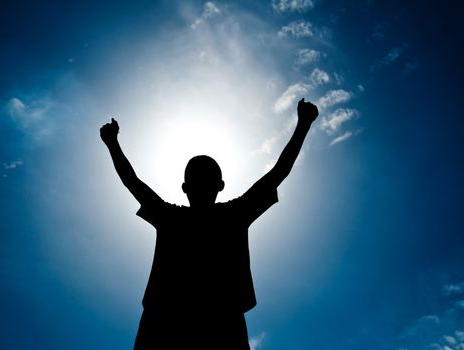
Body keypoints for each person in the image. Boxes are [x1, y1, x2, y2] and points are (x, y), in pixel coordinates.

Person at [100, 98, 319, 349]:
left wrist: (112, 144)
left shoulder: (188, 216)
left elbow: (278, 173)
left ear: (217, 186)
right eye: (197, 177)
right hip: (173, 318)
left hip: (210, 318)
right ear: (188, 187)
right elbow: (132, 181)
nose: (201, 182)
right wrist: (303, 124)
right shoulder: (219, 215)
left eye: (206, 177)